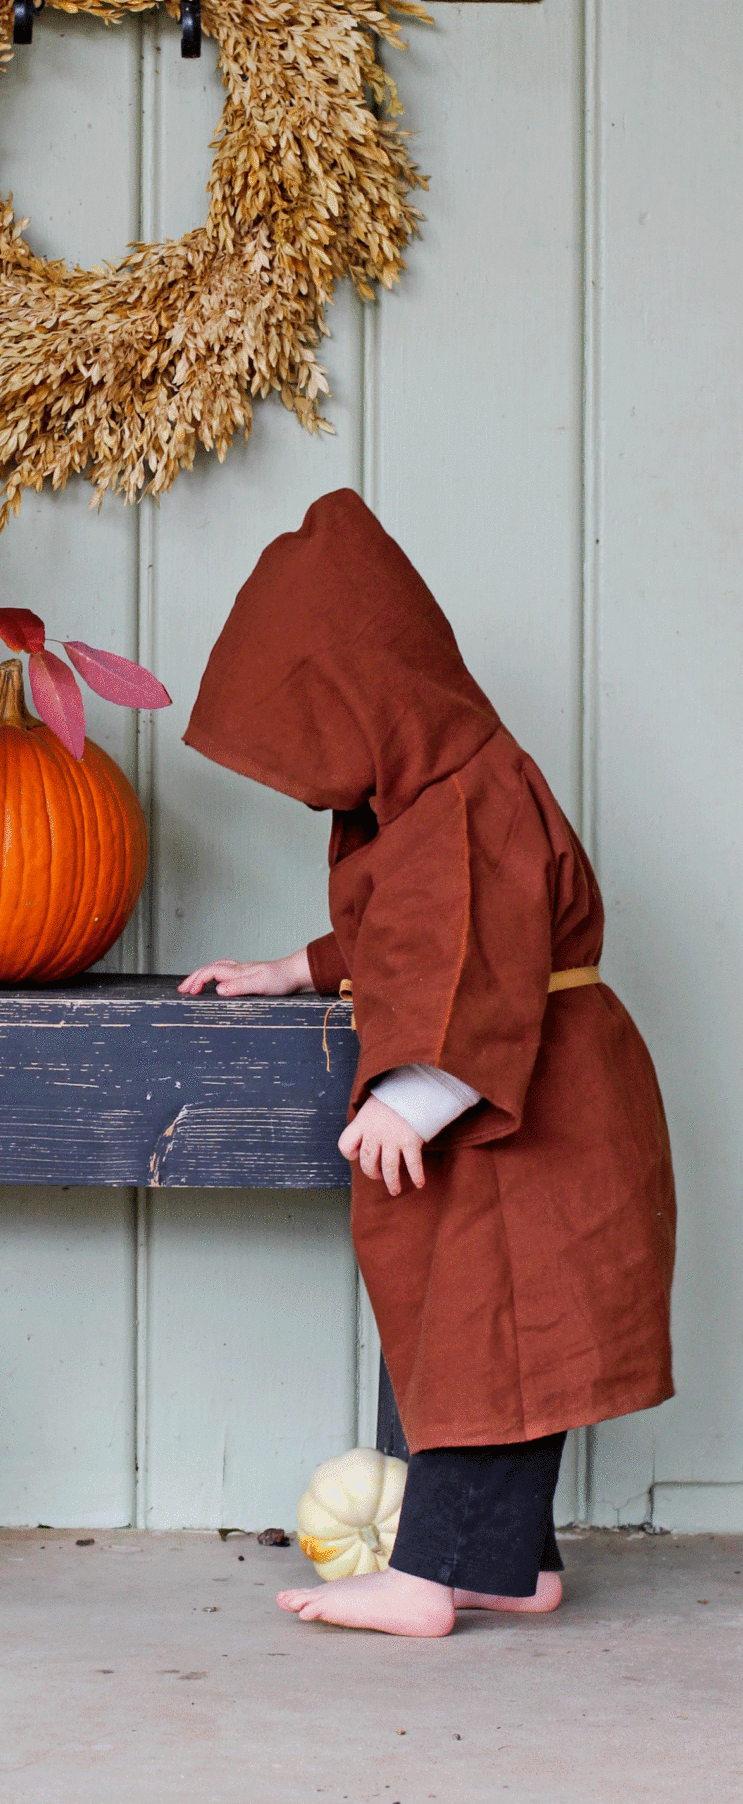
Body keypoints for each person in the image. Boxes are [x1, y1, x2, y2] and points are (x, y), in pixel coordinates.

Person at [178, 489, 676, 1637]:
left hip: (523, 1104)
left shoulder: (468, 800)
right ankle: (508, 1564)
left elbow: (479, 966)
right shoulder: (432, 798)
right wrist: (295, 970)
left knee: (488, 1335)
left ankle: (432, 1576)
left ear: (367, 700)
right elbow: (406, 931)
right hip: (522, 1094)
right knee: (498, 1332)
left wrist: (413, 1093)